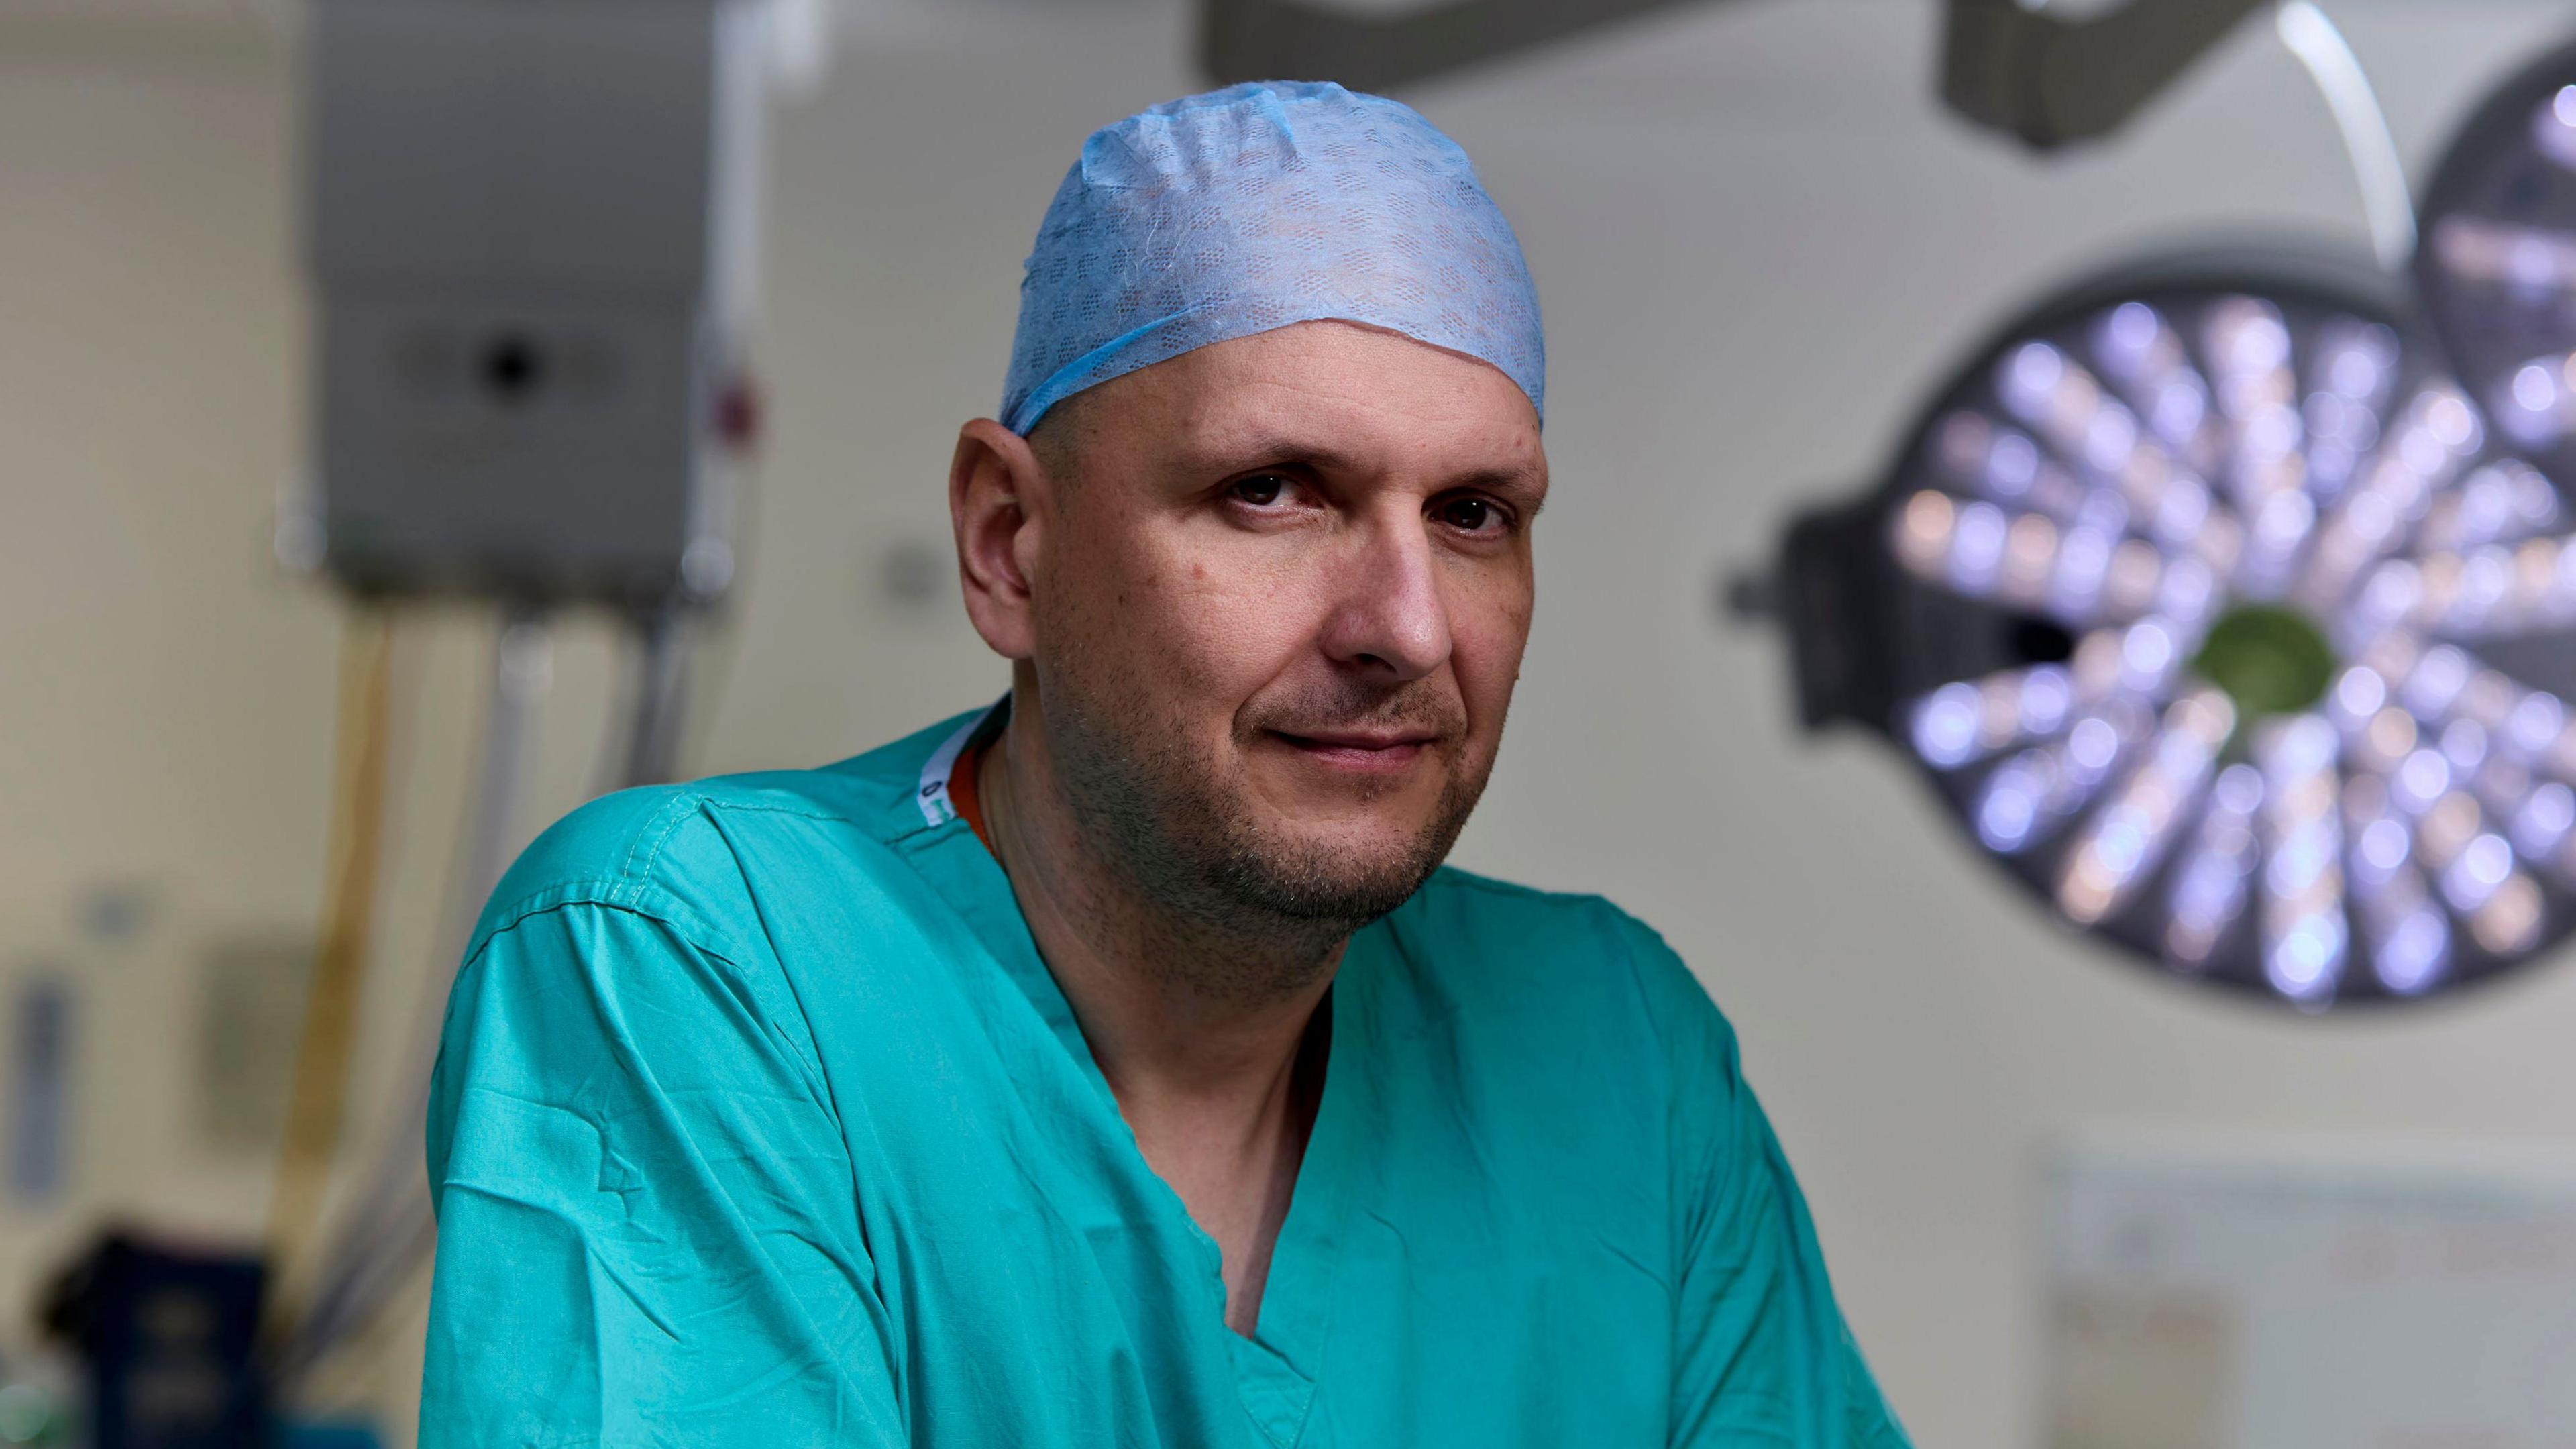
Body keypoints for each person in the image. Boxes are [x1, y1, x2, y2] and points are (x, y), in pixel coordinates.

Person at [418, 81, 1909, 1448]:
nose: (1406, 628)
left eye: (1473, 515)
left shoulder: (1615, 1062)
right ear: (1010, 540)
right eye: (1271, 492)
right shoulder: (701, 967)